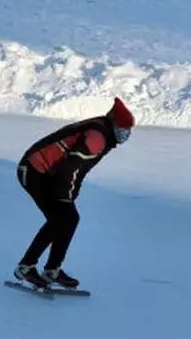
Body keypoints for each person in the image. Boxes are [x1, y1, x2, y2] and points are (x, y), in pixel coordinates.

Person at [12, 97, 135, 290]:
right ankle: (26, 267)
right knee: (61, 219)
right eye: (124, 130)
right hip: (35, 171)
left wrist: (68, 194)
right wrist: (65, 196)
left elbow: (75, 170)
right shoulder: (97, 138)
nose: (126, 135)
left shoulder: (101, 130)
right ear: (115, 126)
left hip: (44, 172)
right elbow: (72, 169)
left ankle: (52, 269)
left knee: (67, 218)